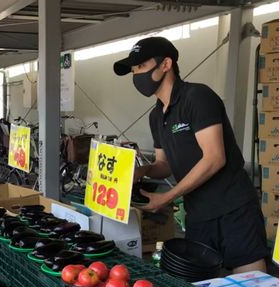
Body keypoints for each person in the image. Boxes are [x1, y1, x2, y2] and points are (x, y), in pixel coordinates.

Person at [113, 37, 269, 273]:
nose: (137, 76)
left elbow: (215, 157)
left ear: (166, 64)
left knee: (253, 286)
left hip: (234, 209)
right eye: (133, 70)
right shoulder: (156, 116)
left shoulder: (197, 97)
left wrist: (167, 197)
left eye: (141, 67)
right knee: (204, 286)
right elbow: (164, 164)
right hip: (197, 215)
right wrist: (142, 171)